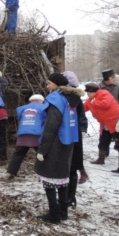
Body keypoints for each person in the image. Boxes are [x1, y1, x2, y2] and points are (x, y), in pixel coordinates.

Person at [35, 73, 83, 224]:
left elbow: (51, 126)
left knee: (49, 180)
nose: (47, 86)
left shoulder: (55, 99)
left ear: (56, 84)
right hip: (68, 143)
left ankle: (54, 214)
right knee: (62, 180)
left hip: (55, 144)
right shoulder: (70, 99)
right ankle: (63, 212)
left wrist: (42, 150)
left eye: (49, 83)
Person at [62, 71, 89, 209]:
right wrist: (82, 129)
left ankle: (64, 197)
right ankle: (71, 197)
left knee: (64, 167)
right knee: (72, 167)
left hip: (63, 135)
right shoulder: (77, 98)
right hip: (75, 134)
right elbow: (81, 115)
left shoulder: (61, 97)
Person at [6, 94, 46, 179]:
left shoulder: (22, 108)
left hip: (23, 134)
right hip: (37, 134)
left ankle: (10, 172)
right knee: (41, 153)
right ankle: (44, 172)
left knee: (18, 153)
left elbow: (20, 118)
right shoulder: (44, 107)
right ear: (41, 101)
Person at [84, 83, 119, 165]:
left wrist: (94, 103)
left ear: (92, 92)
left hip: (115, 123)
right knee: (103, 141)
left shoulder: (104, 93)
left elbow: (105, 104)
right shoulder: (90, 100)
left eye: (88, 93)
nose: (87, 94)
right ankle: (101, 159)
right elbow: (83, 108)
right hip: (104, 124)